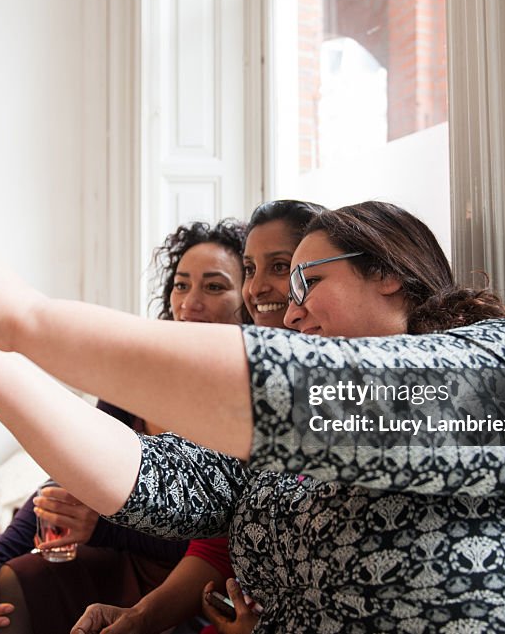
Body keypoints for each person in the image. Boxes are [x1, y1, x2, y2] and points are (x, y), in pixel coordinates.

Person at [0, 201, 505, 633]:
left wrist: (24, 314)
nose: (287, 305)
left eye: (308, 277)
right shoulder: (283, 457)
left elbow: (303, 392)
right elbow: (145, 476)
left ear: (390, 273)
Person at [0, 219, 248, 634]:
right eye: (181, 285)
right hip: (121, 562)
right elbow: (62, 484)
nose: (191, 302)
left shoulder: (247, 399)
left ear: (247, 298)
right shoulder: (139, 381)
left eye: (214, 287)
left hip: (197, 581)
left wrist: (102, 526)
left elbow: (218, 534)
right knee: (7, 586)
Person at [74, 200, 325, 634]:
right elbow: (214, 539)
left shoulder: (377, 395)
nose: (259, 287)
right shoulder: (253, 387)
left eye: (281, 267)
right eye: (250, 270)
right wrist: (139, 620)